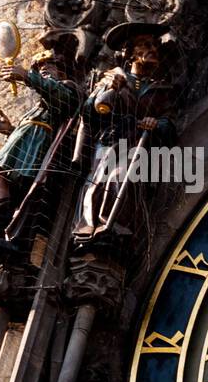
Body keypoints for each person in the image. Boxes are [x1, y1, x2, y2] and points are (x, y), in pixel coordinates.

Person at [0, 33, 81, 265]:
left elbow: (63, 100)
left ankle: (2, 232)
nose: (44, 69)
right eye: (39, 67)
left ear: (62, 71)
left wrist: (28, 76)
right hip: (24, 142)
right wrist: (9, 129)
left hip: (40, 147)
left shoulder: (66, 88)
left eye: (50, 66)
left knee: (8, 181)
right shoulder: (41, 102)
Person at [73, 21, 177, 248]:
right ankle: (92, 227)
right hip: (111, 140)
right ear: (130, 54)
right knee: (101, 180)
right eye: (145, 45)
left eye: (155, 45)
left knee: (124, 176)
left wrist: (156, 123)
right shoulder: (112, 79)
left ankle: (114, 226)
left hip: (140, 145)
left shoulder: (162, 91)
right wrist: (112, 88)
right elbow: (92, 112)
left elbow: (170, 126)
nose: (153, 49)